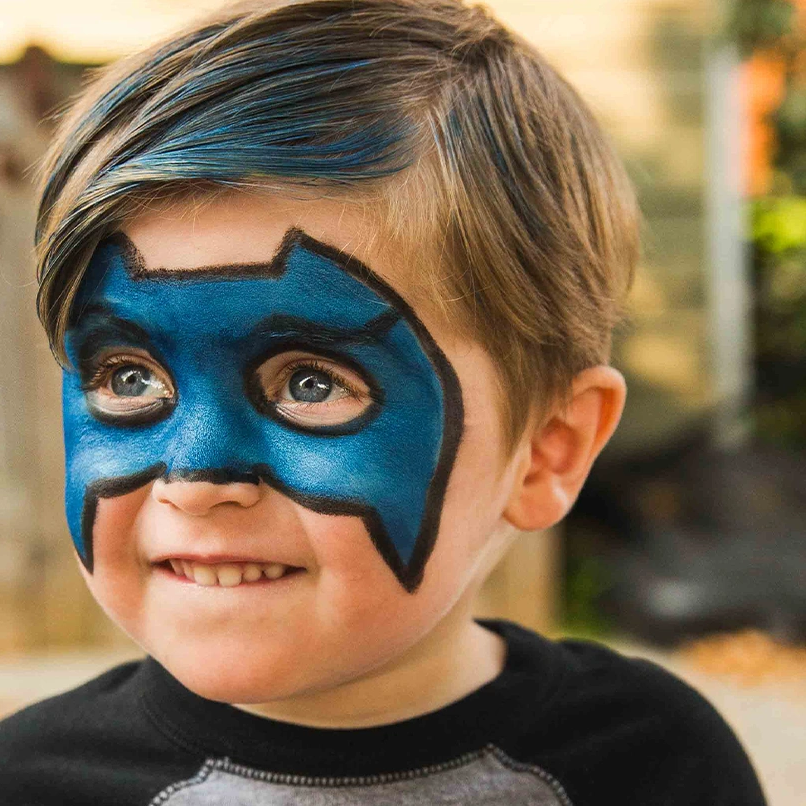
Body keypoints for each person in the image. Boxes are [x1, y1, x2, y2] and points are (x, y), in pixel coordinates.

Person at [0, 1, 767, 803]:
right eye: (130, 378)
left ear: (549, 448)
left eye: (312, 383)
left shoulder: (651, 766)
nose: (195, 476)